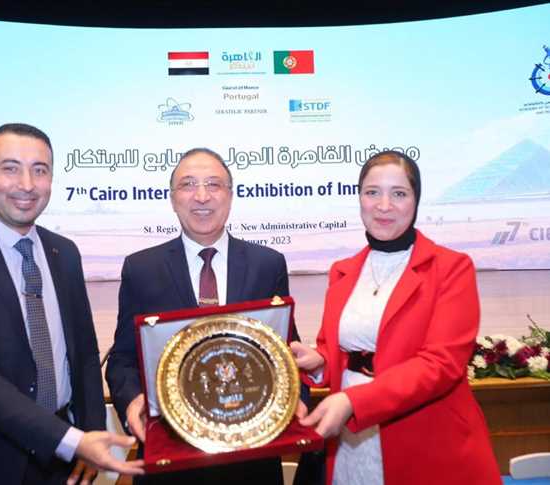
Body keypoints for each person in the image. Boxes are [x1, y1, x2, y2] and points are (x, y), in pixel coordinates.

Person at [0, 123, 144, 485]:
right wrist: (73, 441)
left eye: (40, 170)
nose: (26, 184)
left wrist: (90, 431)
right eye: (10, 168)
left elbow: (84, 354)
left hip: (63, 462)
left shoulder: (64, 252)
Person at [290, 151, 500, 485]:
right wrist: (319, 361)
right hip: (350, 442)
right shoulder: (342, 271)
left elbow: (441, 364)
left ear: (416, 201)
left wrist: (353, 401)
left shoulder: (451, 268)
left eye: (399, 193)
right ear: (360, 198)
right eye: (372, 192)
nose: (383, 205)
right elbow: (342, 350)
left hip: (426, 440)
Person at [106, 147, 307, 484]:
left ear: (230, 195)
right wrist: (131, 403)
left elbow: (286, 352)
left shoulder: (268, 264)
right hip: (169, 457)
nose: (201, 196)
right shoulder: (141, 268)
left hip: (250, 457)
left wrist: (296, 401)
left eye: (213, 184)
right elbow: (122, 359)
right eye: (188, 185)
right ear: (172, 198)